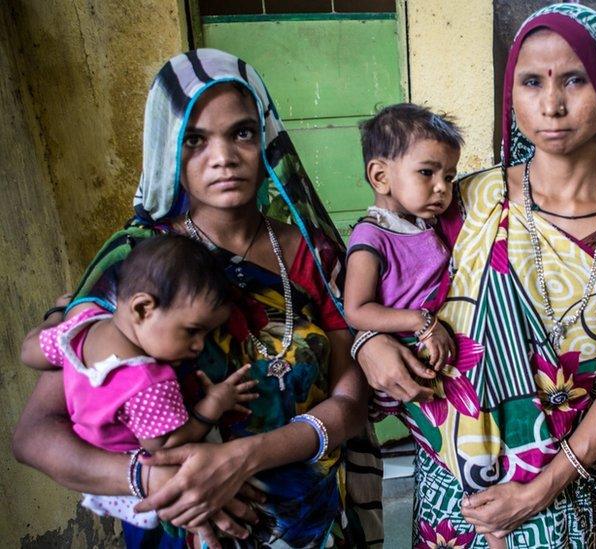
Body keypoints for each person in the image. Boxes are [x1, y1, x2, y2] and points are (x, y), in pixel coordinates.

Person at [13, 49, 380, 548]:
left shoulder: (314, 256)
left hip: (307, 523)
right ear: (168, 151)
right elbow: (35, 434)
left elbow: (350, 403)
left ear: (265, 140)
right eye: (195, 140)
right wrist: (157, 479)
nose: (223, 157)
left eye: (242, 133)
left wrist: (242, 458)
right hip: (184, 526)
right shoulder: (137, 267)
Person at [354, 4, 596, 548]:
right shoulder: (468, 198)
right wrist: (368, 341)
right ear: (512, 94)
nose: (551, 104)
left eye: (573, 79)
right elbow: (386, 276)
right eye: (531, 82)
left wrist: (540, 490)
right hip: (457, 483)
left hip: (573, 483)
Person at [20, 235, 257, 533]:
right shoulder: (150, 381)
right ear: (143, 308)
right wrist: (214, 405)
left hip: (93, 464)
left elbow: (29, 352)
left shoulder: (81, 327)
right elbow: (165, 447)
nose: (198, 346)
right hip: (139, 478)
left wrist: (56, 314)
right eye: (193, 332)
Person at [343, 103, 462, 382]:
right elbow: (356, 311)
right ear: (381, 177)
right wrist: (418, 320)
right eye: (426, 172)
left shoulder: (424, 223)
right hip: (413, 356)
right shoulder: (371, 237)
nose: (442, 187)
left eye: (449, 177)